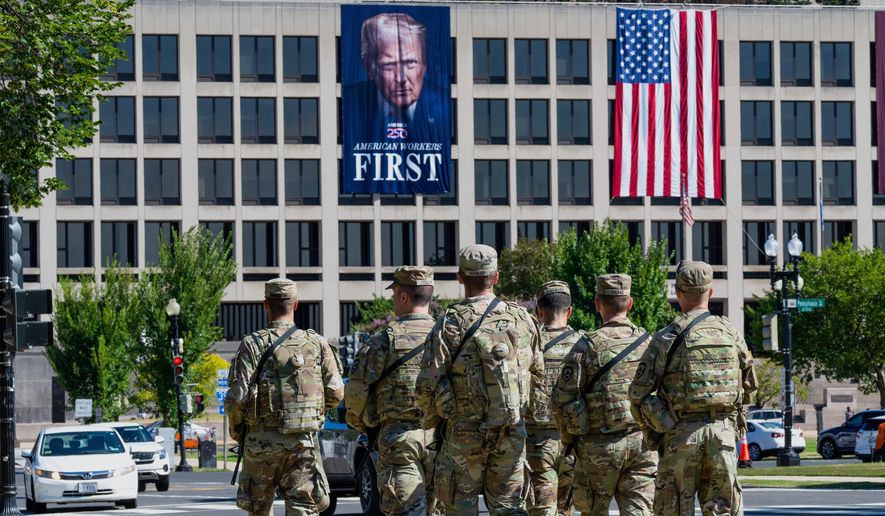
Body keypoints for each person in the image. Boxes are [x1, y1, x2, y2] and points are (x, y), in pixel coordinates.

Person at [416, 244, 545, 515]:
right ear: (496, 276)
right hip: (511, 431)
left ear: (460, 277)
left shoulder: (449, 323)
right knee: (510, 508)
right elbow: (539, 376)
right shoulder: (522, 319)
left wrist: (439, 419)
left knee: (459, 507)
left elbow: (426, 384)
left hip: (464, 433)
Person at [629, 261, 757, 516]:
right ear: (710, 292)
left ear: (677, 292)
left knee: (673, 509)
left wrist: (661, 427)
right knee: (722, 510)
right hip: (722, 436)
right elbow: (750, 386)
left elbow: (638, 394)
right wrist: (731, 424)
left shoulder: (666, 337)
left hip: (680, 435)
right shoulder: (731, 333)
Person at [226, 278, 345, 516]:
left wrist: (238, 430)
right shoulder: (317, 343)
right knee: (303, 509)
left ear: (265, 305)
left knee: (259, 510)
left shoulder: (252, 344)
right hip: (302, 443)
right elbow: (336, 392)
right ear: (296, 304)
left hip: (261, 441)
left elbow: (237, 398)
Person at [553, 274, 656, 516]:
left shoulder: (586, 346)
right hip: (641, 444)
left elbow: (563, 398)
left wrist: (572, 438)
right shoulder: (649, 343)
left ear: (598, 303)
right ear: (630, 303)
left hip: (598, 446)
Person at [345, 266, 440, 515]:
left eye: (394, 294)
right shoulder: (449, 337)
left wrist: (363, 423)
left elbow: (355, 394)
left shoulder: (383, 340)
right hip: (444, 440)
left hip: (398, 440)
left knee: (404, 509)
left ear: (403, 297)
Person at [344, 12, 448, 144]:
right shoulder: (347, 104)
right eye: (388, 65)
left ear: (424, 64)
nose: (401, 78)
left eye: (410, 63)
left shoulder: (447, 105)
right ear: (368, 68)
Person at [526, 281, 582, 516]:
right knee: (566, 510)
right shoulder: (583, 344)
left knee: (542, 509)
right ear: (569, 311)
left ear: (539, 310)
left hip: (538, 441)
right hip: (572, 443)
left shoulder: (528, 346)